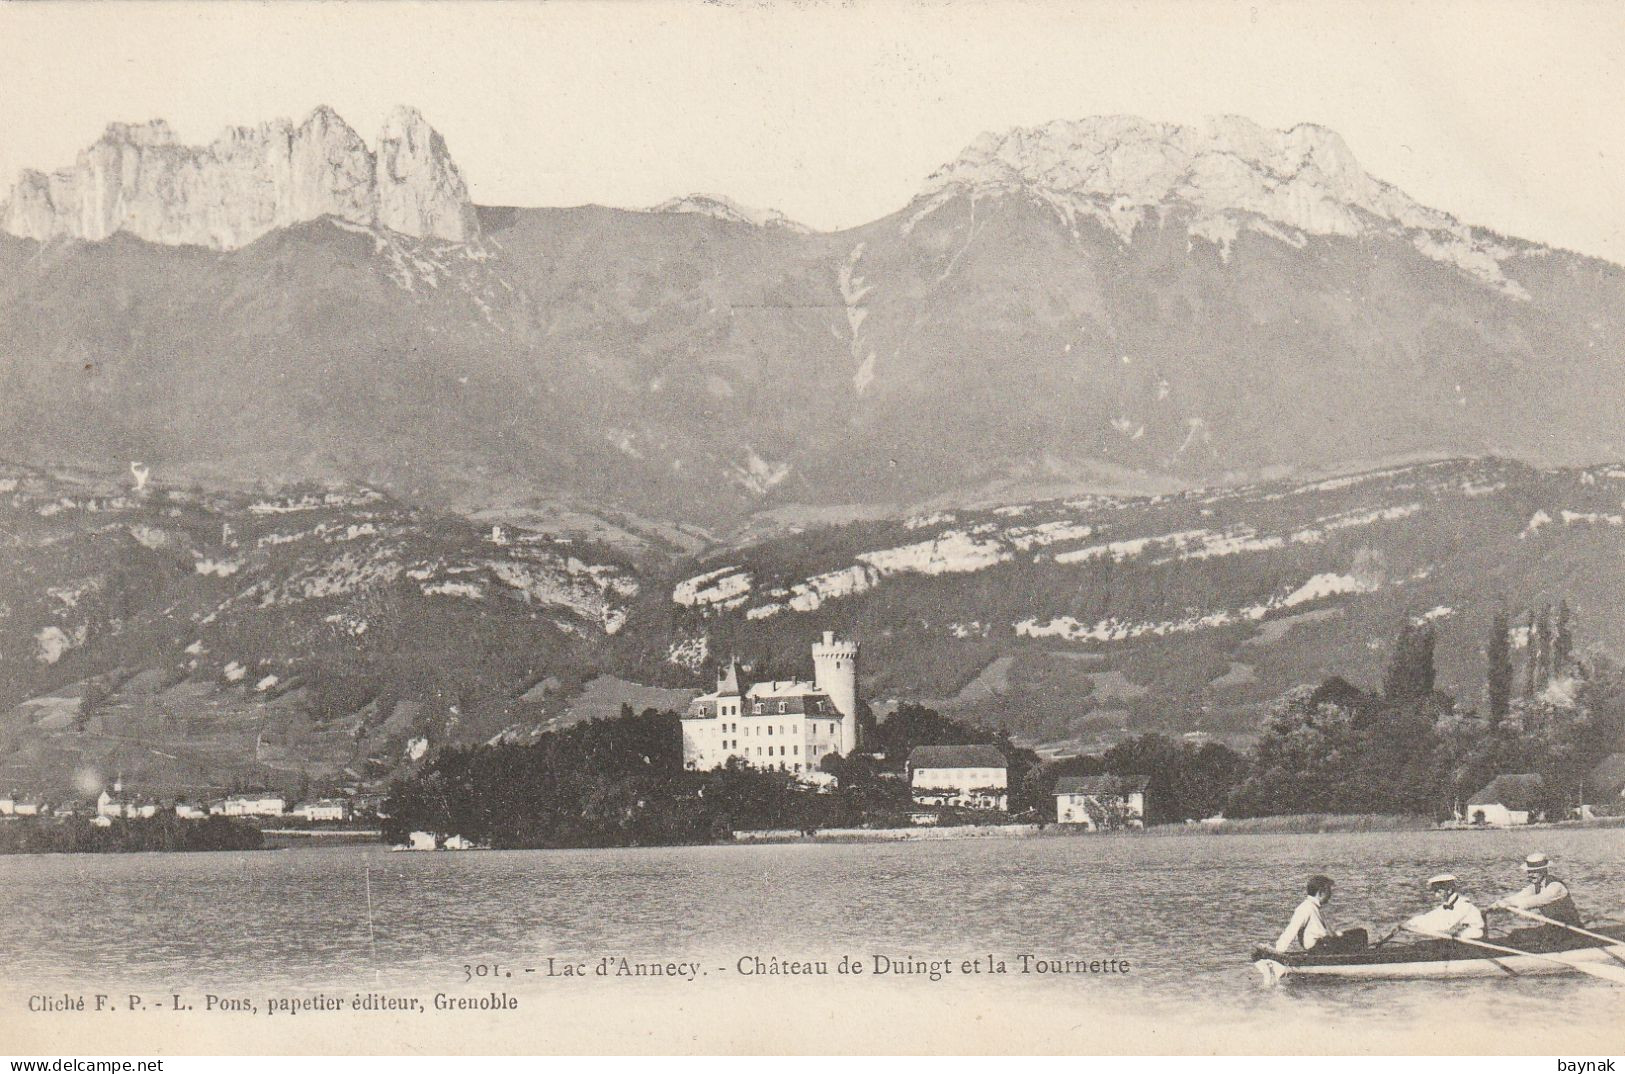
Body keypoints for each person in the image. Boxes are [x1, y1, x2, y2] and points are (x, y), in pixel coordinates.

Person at [1274, 875, 1369, 954]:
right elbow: (1291, 930)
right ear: (1320, 893)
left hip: (1323, 945)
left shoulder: (1315, 907)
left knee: (1359, 933)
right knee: (1360, 934)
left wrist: (1339, 935)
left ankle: (1363, 956)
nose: (1330, 894)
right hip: (1318, 948)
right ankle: (1363, 959)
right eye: (1329, 891)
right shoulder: (1305, 908)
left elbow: (1324, 932)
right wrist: (1278, 951)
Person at [1488, 853, 1583, 926]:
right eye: (1529, 872)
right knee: (1517, 935)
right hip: (1553, 928)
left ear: (1544, 871)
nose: (1530, 875)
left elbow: (1538, 900)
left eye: (1535, 872)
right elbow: (1518, 897)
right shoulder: (1535, 887)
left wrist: (1511, 904)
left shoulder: (1556, 887)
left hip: (1571, 930)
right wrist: (1497, 905)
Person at [1404, 874, 1485, 940]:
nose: (1436, 895)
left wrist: (1418, 927)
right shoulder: (1446, 905)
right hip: (1458, 935)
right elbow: (1429, 917)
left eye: (1438, 891)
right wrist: (1410, 923)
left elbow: (1446, 925)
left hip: (1473, 936)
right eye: (1434, 891)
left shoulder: (1463, 905)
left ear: (1449, 890)